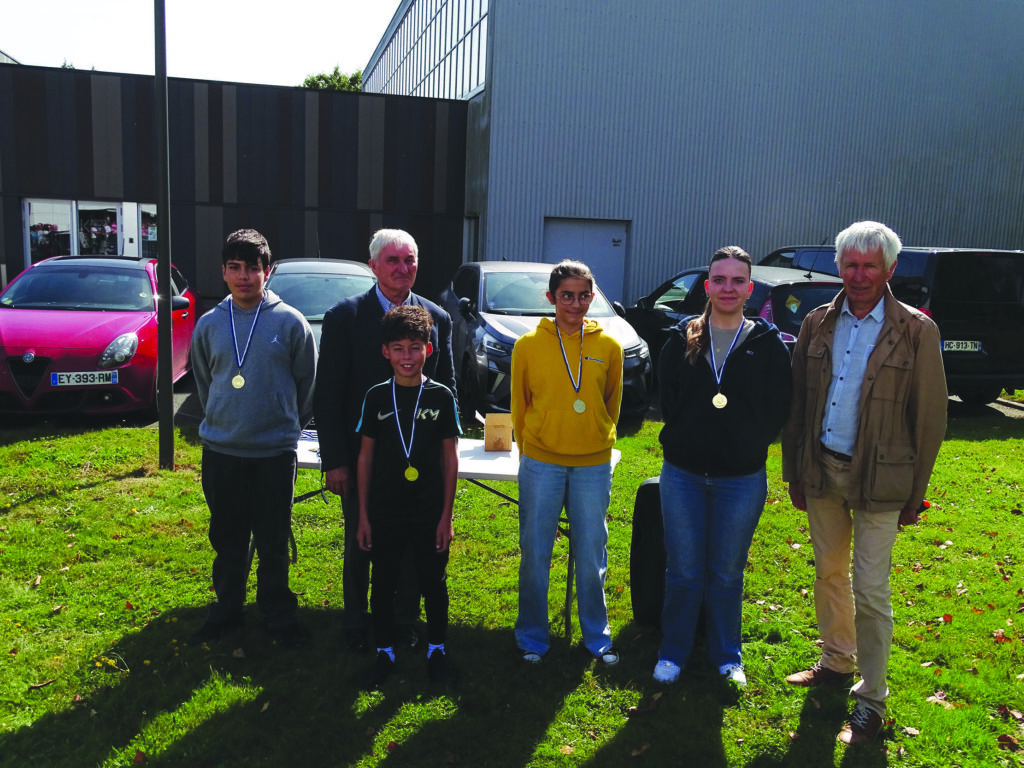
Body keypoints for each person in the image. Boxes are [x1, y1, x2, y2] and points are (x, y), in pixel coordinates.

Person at [782, 221, 947, 744]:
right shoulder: (816, 322)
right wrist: (795, 471)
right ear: (838, 267)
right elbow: (797, 404)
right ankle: (836, 659)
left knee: (871, 590)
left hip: (882, 478)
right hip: (822, 469)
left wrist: (916, 493)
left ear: (890, 269)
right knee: (829, 573)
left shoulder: (916, 330)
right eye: (850, 265)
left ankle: (872, 699)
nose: (858, 275)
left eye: (869, 265)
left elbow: (929, 419)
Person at [653, 246, 792, 687]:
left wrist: (746, 442)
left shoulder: (767, 344)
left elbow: (778, 406)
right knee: (683, 570)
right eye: (720, 280)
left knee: (727, 572)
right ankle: (673, 652)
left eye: (737, 281)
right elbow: (668, 398)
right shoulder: (681, 339)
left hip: (741, 479)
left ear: (750, 289)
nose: (728, 288)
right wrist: (692, 436)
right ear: (707, 286)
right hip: (683, 475)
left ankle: (727, 656)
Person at [315, 229, 456, 653]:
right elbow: (328, 394)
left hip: (418, 461)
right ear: (373, 266)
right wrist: (335, 460)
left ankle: (403, 621)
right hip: (363, 459)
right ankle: (356, 622)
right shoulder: (345, 317)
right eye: (392, 260)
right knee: (362, 540)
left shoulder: (437, 318)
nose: (402, 268)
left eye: (409, 260)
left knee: (412, 547)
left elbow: (447, 389)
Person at [189, 229, 318, 649]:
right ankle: (227, 610)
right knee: (227, 538)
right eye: (235, 268)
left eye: (253, 268)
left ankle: (278, 614)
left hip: (273, 453)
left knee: (272, 538)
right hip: (222, 450)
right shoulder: (209, 324)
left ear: (268, 271)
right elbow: (205, 383)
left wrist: (283, 424)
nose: (244, 277)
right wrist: (225, 418)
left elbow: (306, 384)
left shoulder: (290, 322)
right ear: (223, 272)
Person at [511, 260, 623, 665]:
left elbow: (611, 403)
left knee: (592, 553)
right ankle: (532, 636)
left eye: (583, 296)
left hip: (592, 464)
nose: (575, 304)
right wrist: (534, 445)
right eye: (566, 296)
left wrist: (595, 434)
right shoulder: (528, 345)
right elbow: (519, 405)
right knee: (535, 551)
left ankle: (597, 636)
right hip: (541, 462)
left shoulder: (609, 347)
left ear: (592, 297)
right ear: (551, 297)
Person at [353, 305, 461, 687]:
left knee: (433, 581)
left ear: (428, 349)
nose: (407, 357)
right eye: (398, 348)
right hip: (385, 510)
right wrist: (363, 515)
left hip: (429, 510)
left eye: (415, 347)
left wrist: (446, 516)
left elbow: (450, 458)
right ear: (385, 352)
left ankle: (437, 651)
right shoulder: (376, 397)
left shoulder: (442, 397)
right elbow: (365, 457)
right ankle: (384, 652)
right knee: (383, 582)